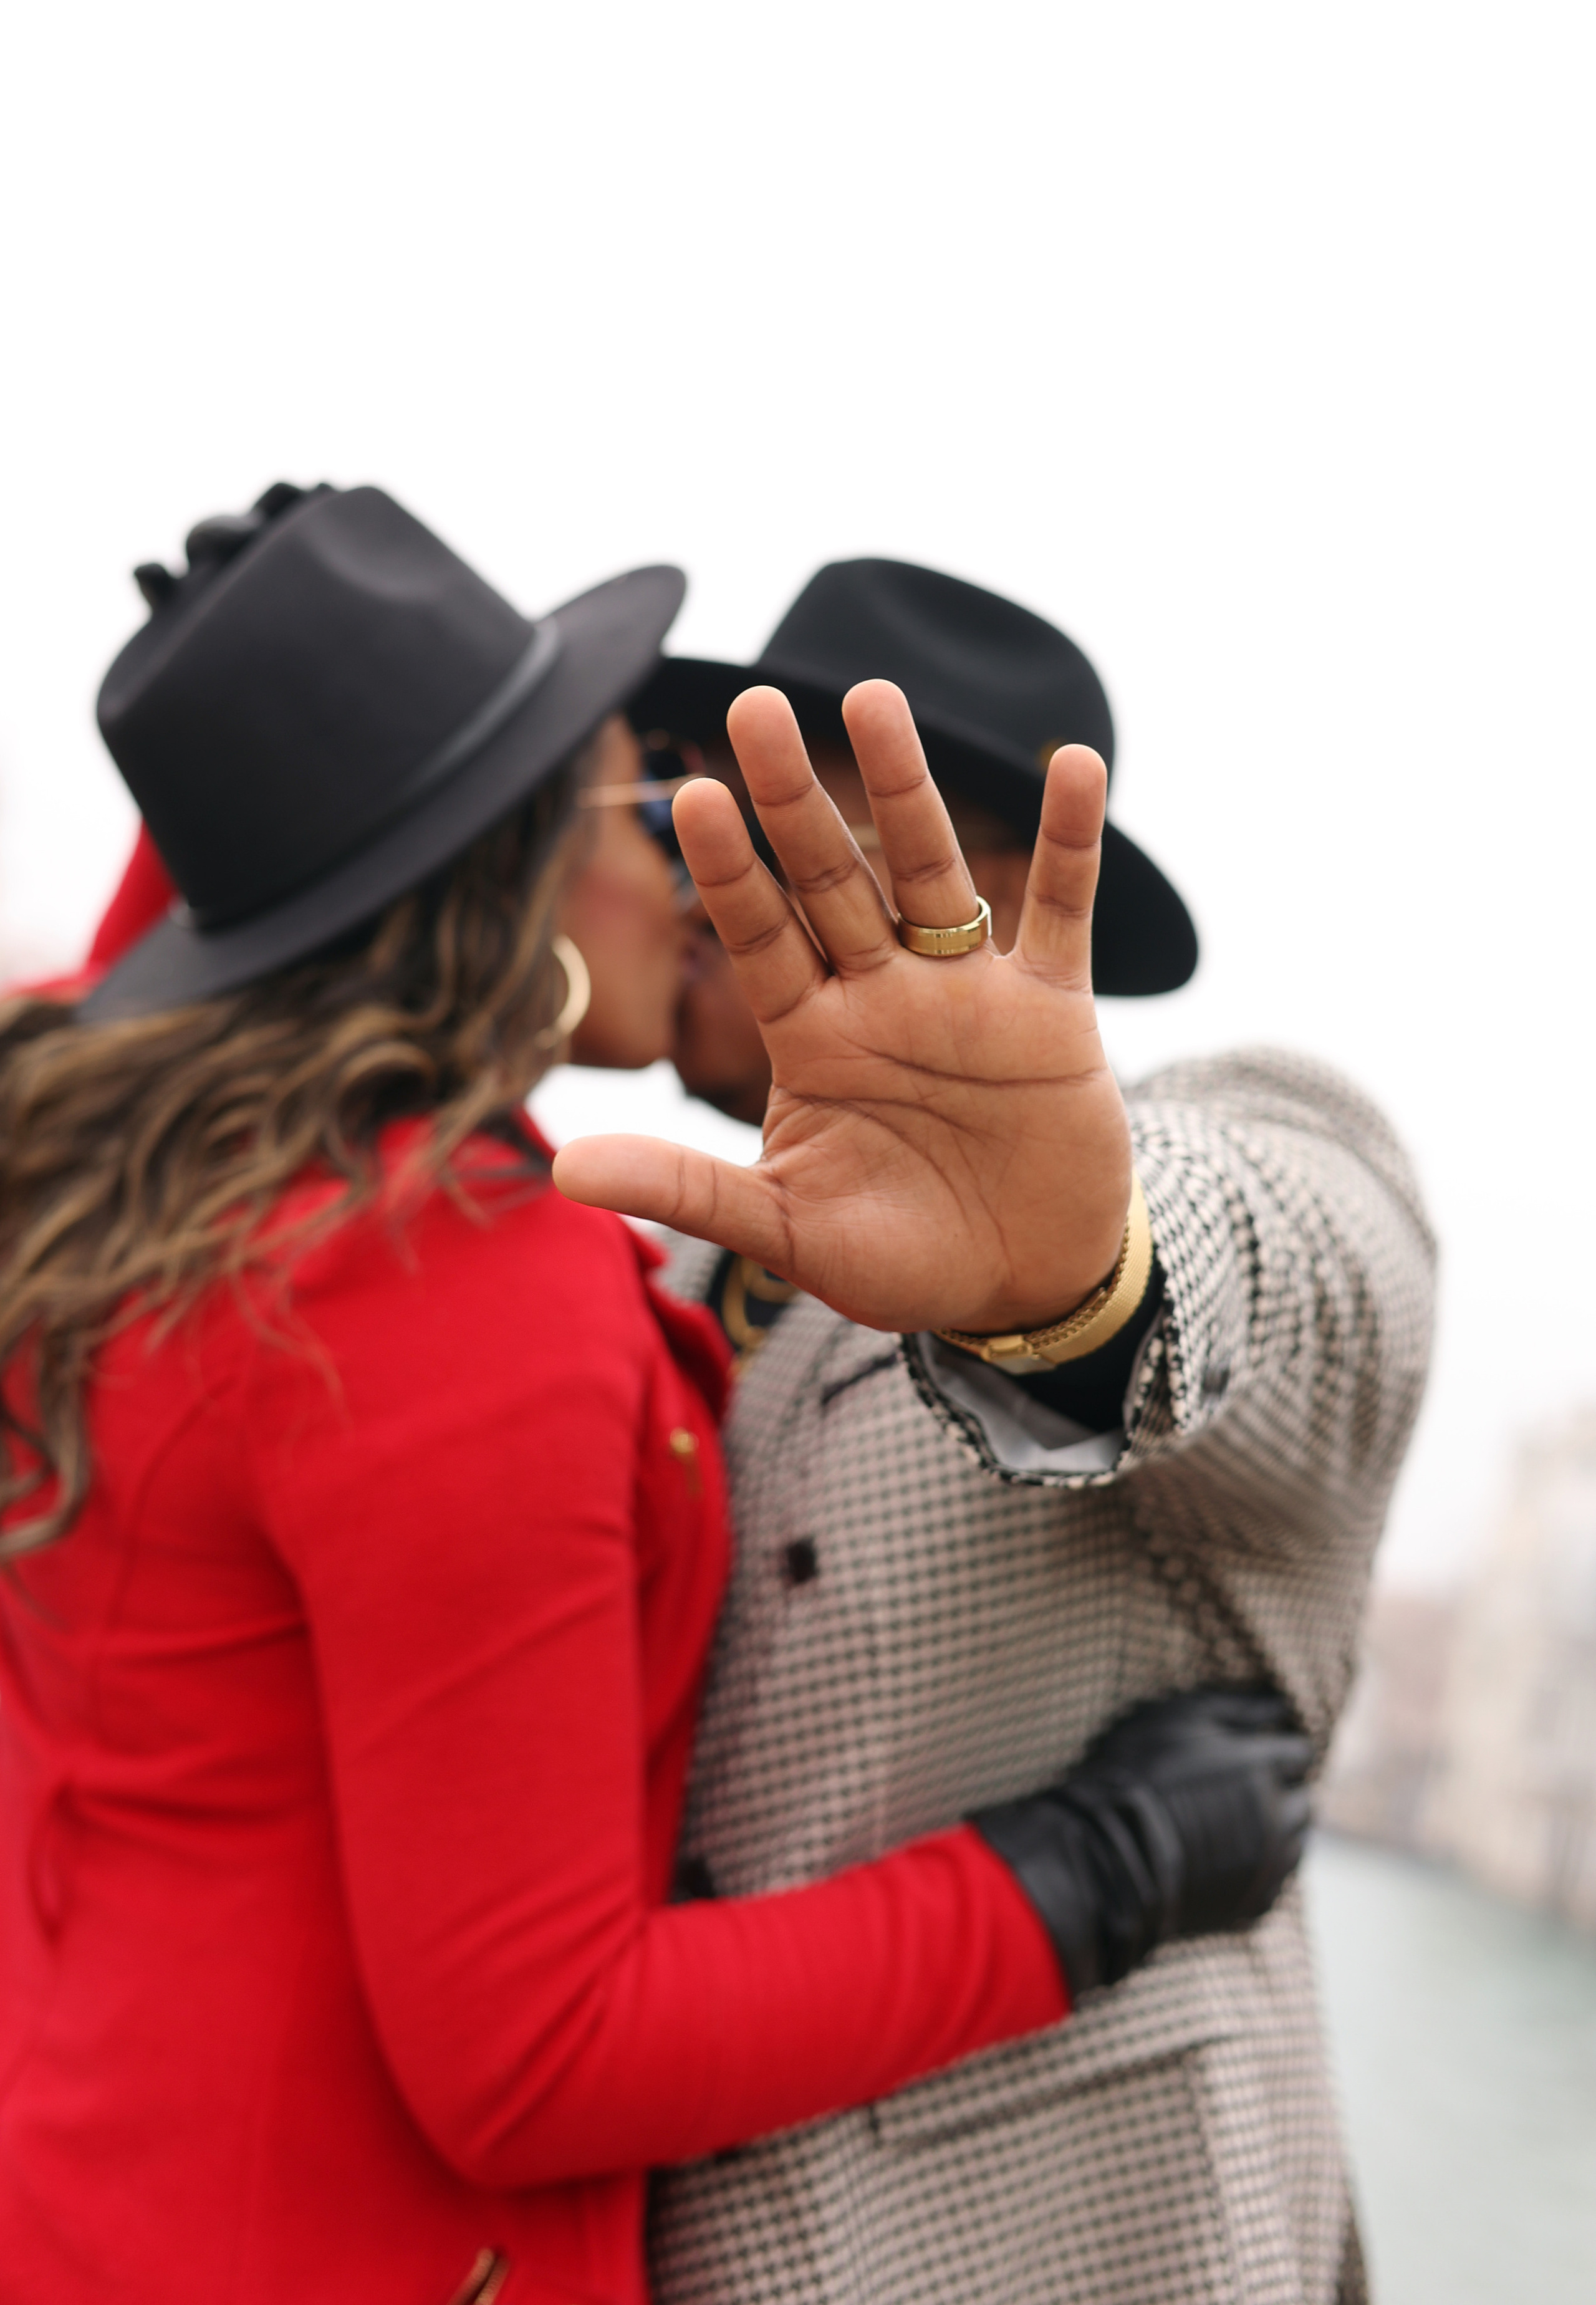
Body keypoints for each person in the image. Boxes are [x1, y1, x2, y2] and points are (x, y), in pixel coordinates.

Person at [0, 489, 1313, 2305]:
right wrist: (1088, 1870)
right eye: (666, 796)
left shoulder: (159, 1217)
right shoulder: (443, 1278)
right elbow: (539, 2053)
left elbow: (1279, 1253)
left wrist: (1074, 1291)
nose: (706, 872)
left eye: (807, 834)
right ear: (514, 848)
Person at [567, 561, 1438, 2305]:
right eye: (667, 831)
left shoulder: (1235, 1140)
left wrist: (1077, 1283)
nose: (669, 889)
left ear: (931, 871)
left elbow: (1291, 1270)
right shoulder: (650, 1268)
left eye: (710, 826)